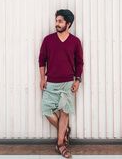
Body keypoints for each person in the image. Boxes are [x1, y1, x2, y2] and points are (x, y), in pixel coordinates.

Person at [38, 9, 84, 158]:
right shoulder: (48, 40)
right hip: (51, 82)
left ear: (68, 24)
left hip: (68, 84)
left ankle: (60, 145)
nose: (57, 24)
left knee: (65, 113)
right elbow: (41, 60)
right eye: (56, 21)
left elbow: (79, 63)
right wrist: (42, 78)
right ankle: (64, 131)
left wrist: (78, 80)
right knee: (46, 110)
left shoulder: (75, 41)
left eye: (60, 21)